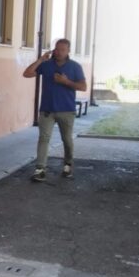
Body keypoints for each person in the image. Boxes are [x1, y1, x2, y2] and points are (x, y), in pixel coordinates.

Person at [23, 38, 87, 181]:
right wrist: (40, 60)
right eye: (57, 49)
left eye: (62, 50)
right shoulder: (47, 65)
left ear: (68, 51)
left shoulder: (75, 67)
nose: (58, 52)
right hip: (47, 110)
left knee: (67, 139)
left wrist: (66, 82)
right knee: (44, 139)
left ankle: (68, 165)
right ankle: (40, 169)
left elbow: (83, 87)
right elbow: (27, 73)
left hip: (66, 110)